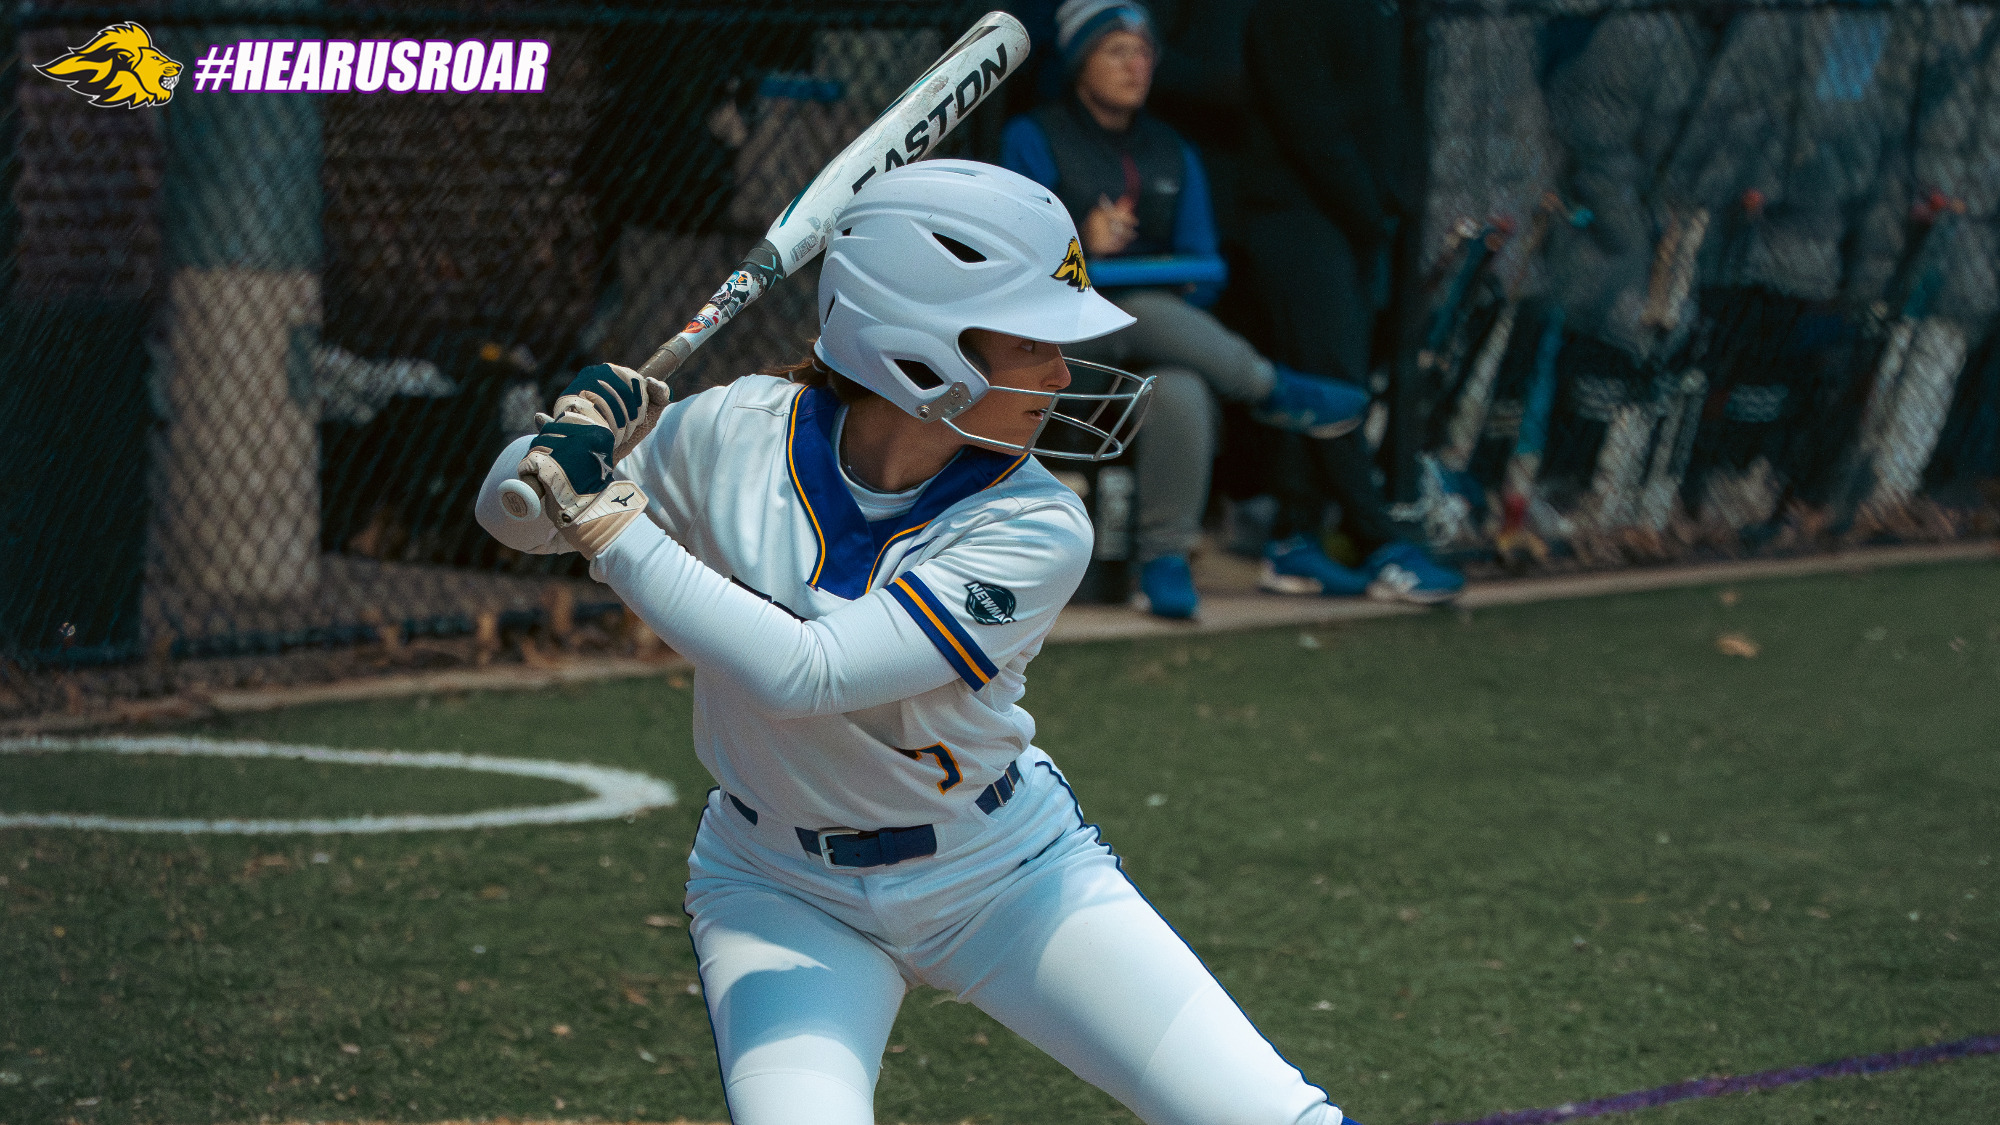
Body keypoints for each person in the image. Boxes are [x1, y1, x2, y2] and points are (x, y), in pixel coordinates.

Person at [475, 161, 1356, 1125]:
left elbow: (809, 673)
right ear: (922, 349)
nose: (1063, 375)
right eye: (1034, 342)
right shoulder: (736, 429)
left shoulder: (1039, 523)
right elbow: (518, 518)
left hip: (1000, 873)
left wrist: (610, 523)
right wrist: (560, 444)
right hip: (778, 888)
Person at [1000, 0, 1370, 619]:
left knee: (1180, 387)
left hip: (1153, 340)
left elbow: (1206, 270)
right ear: (1080, 59)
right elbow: (1018, 269)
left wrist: (1143, 278)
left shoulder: (1171, 149)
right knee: (1137, 303)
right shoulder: (1033, 138)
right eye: (1117, 50)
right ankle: (1269, 387)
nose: (1136, 65)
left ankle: (1163, 560)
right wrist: (1081, 246)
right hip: (1059, 351)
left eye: (1144, 52)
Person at [1239, 0, 1465, 603]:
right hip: (1300, 210)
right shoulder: (1291, 15)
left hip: (1354, 213)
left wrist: (1385, 205)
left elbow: (1389, 111)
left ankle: (1299, 536)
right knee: (1329, 379)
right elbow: (1307, 116)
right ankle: (1376, 538)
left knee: (1332, 373)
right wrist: (1370, 208)